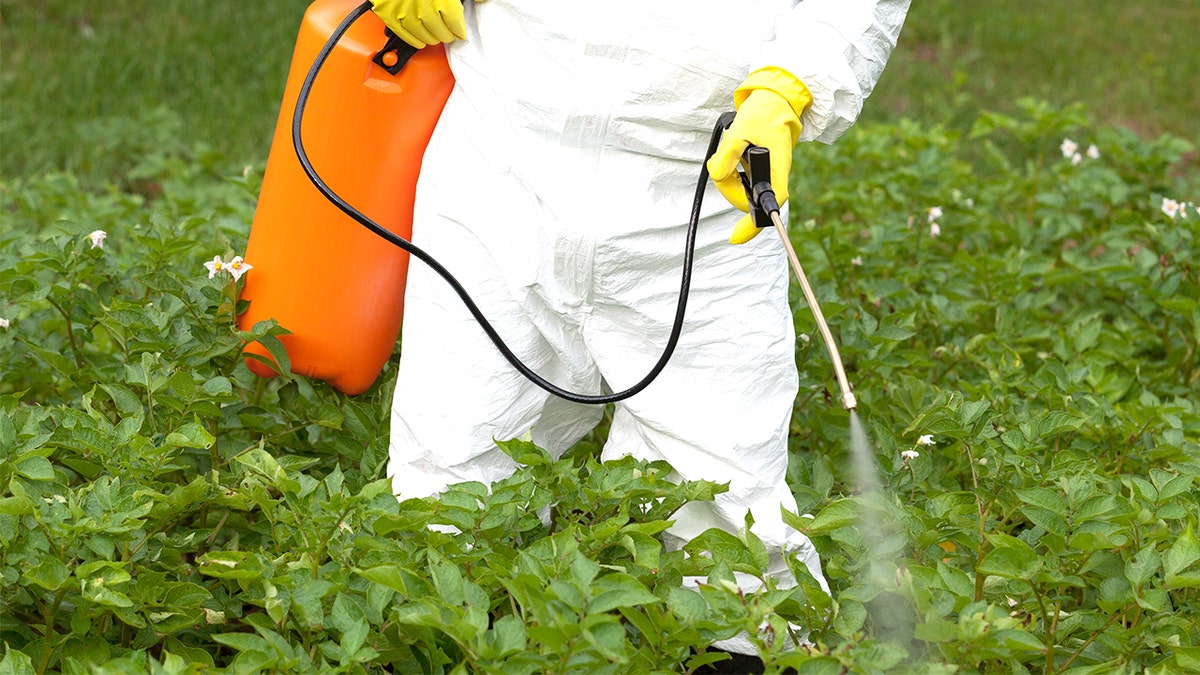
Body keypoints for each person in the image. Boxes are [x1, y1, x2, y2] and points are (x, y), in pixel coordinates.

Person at [372, 0, 909, 655]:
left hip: (704, 187)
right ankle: (443, 646)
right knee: (450, 460)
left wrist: (794, 81)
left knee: (723, 496)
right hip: (501, 153)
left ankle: (740, 652)